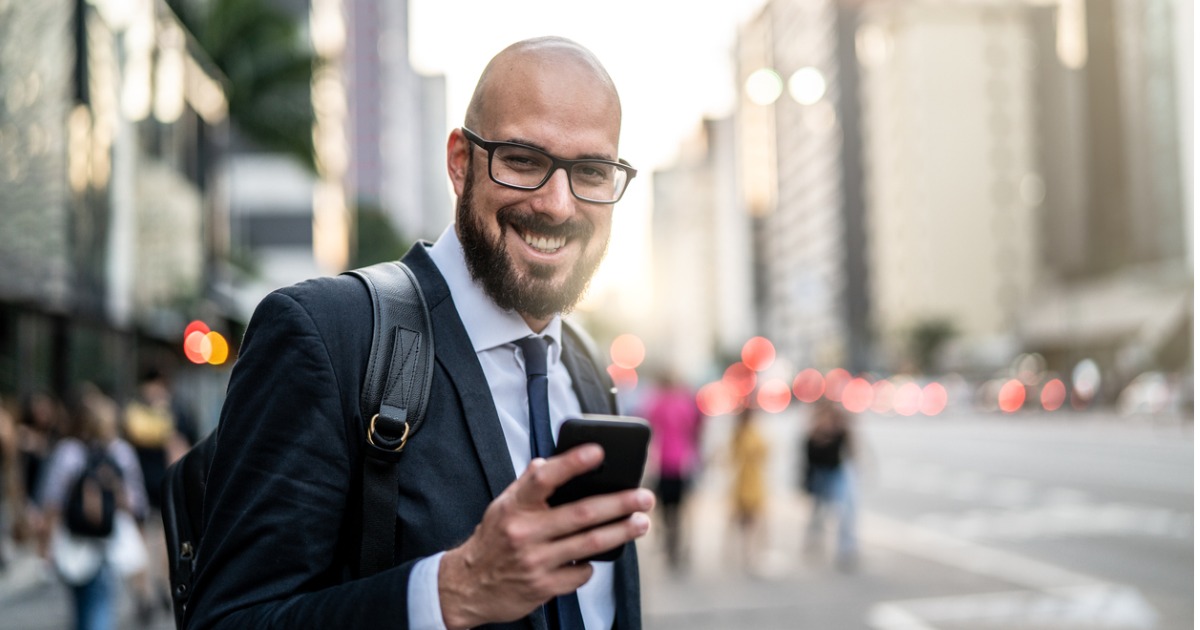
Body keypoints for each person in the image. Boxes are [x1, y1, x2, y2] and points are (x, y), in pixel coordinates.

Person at [188, 37, 654, 630]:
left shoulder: (585, 364)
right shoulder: (326, 336)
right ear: (461, 162)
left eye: (591, 171)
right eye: (522, 160)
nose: (558, 204)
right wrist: (449, 592)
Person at [38, 384, 148, 630]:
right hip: (108, 540)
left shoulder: (68, 452)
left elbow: (52, 502)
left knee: (80, 608)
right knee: (100, 604)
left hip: (73, 542)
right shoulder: (121, 453)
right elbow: (135, 503)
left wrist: (44, 546)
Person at [639, 371, 702, 572]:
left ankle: (668, 542)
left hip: (665, 464)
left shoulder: (657, 402)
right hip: (684, 463)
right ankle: (681, 544)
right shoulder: (685, 402)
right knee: (682, 508)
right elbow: (695, 429)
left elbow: (645, 424)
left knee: (665, 509)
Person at [800, 398, 858, 569]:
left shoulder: (841, 431)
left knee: (845, 510)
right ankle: (813, 538)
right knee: (817, 511)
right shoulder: (813, 434)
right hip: (820, 475)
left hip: (836, 474)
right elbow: (808, 461)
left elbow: (851, 452)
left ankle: (846, 549)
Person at [729, 406, 768, 575]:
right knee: (745, 519)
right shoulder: (745, 434)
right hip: (746, 480)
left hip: (749, 480)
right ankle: (747, 552)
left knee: (749, 520)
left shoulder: (744, 433)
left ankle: (748, 552)